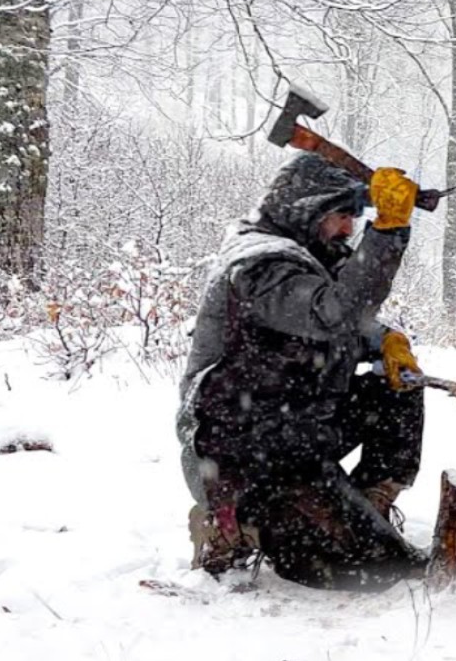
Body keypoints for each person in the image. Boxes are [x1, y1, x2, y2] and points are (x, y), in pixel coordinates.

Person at [176, 152, 428, 590]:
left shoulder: (307, 255)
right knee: (370, 573)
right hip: (245, 457)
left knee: (398, 387)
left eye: (356, 216)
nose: (350, 228)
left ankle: (369, 506)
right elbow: (331, 314)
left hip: (296, 435)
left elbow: (340, 317)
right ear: (306, 209)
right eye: (341, 215)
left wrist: (383, 339)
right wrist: (386, 232)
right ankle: (233, 524)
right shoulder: (260, 266)